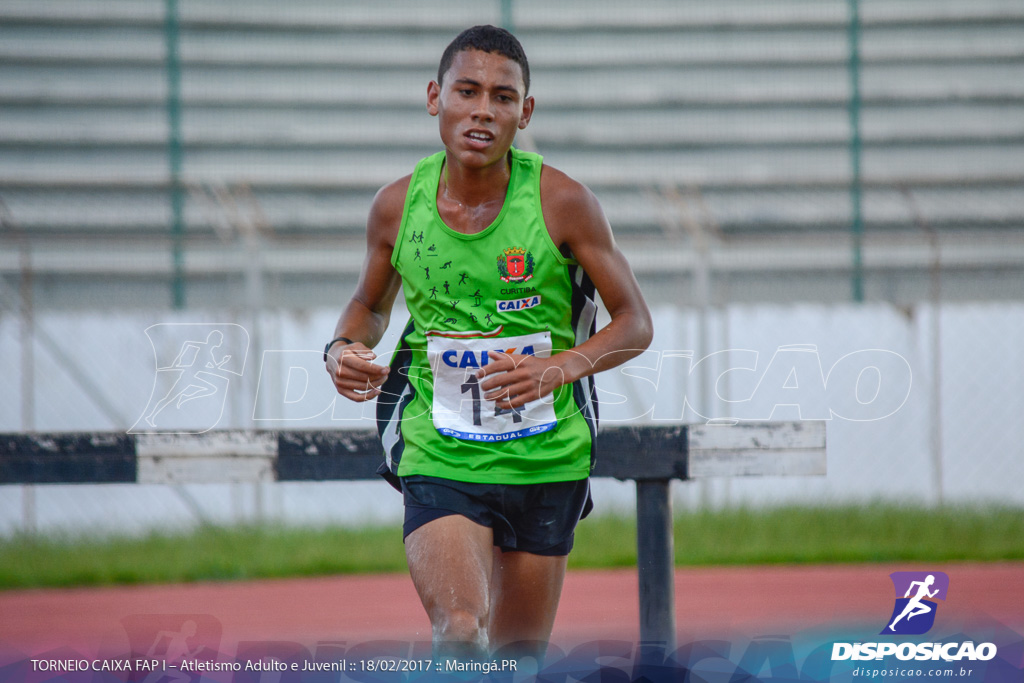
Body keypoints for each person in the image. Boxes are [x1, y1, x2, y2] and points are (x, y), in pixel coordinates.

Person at [324, 25, 652, 663]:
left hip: (546, 456)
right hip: (438, 447)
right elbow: (368, 306)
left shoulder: (564, 204)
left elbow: (634, 322)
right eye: (466, 91)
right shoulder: (396, 208)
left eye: (503, 97)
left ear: (524, 112)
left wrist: (557, 369)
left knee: (514, 662)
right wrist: (341, 348)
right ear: (433, 97)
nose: (482, 110)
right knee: (460, 630)